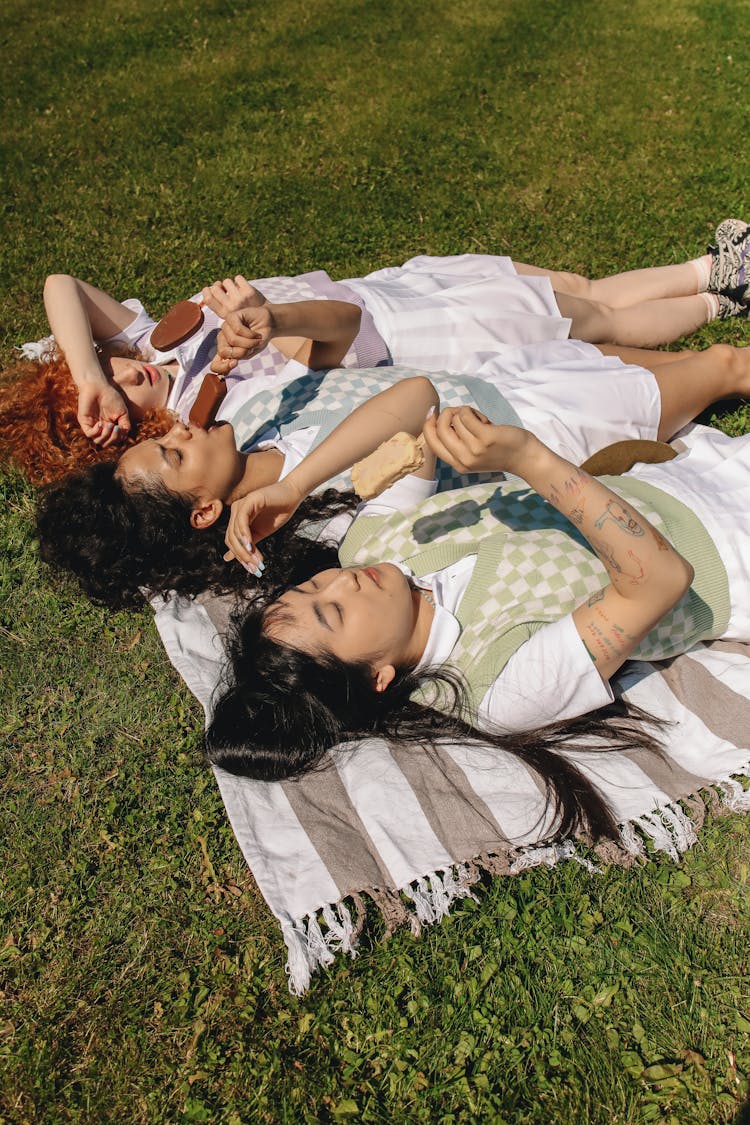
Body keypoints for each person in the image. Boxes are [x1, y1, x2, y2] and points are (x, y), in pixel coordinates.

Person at [205, 407, 749, 826]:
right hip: (732, 555)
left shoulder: (372, 545)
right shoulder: (494, 681)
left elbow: (418, 400)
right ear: (377, 678)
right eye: (334, 611)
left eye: (312, 584)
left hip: (694, 470)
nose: (341, 580)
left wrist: (443, 432)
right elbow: (660, 580)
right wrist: (527, 459)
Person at [5, 216, 750, 482]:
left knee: (577, 284)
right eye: (120, 391)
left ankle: (712, 277)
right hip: (424, 332)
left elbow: (61, 285)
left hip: (407, 290)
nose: (123, 368)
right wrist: (269, 315)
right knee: (597, 322)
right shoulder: (226, 395)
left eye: (106, 366)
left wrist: (85, 375)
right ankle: (721, 285)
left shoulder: (152, 347)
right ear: (136, 430)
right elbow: (334, 332)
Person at [35, 336, 750, 609]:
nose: (183, 427)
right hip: (555, 424)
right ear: (202, 510)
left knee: (708, 355)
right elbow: (414, 404)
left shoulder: (253, 426)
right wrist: (289, 486)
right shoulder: (332, 507)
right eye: (175, 452)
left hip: (510, 372)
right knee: (725, 367)